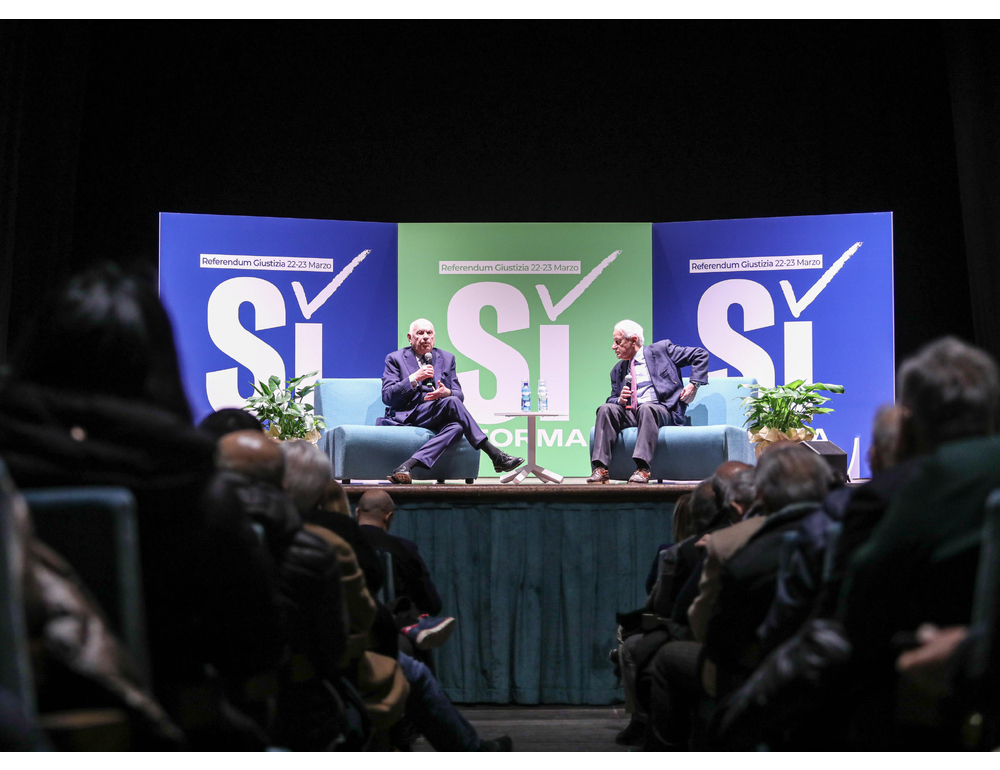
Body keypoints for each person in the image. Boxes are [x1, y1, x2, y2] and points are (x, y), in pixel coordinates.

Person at [380, 319, 523, 484]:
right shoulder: (395, 359)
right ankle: (495, 454)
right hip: (410, 414)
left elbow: (458, 394)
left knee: (457, 425)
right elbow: (387, 396)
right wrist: (414, 378)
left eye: (429, 333)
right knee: (453, 406)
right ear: (410, 338)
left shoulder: (447, 359)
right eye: (420, 333)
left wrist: (446, 392)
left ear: (434, 336)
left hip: (436, 412)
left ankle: (406, 467)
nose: (425, 337)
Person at [588, 320, 709, 484]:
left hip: (663, 410)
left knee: (646, 408)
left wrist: (694, 384)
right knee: (605, 409)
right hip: (632, 413)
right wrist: (620, 400)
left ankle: (642, 469)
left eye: (618, 342)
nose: (613, 347)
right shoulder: (617, 370)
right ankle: (600, 469)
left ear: (634, 339)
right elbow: (612, 398)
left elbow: (700, 354)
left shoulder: (662, 351)